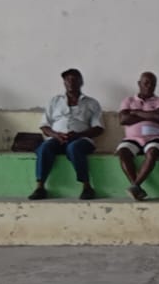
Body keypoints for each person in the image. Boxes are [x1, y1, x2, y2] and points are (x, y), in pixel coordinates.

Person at [30, 68, 104, 200]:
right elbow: (44, 126)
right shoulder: (54, 101)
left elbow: (98, 128)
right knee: (44, 148)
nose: (70, 82)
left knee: (74, 147)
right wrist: (56, 135)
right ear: (64, 83)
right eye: (67, 80)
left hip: (81, 139)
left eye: (74, 79)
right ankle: (40, 187)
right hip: (58, 138)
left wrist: (78, 135)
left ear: (81, 82)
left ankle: (87, 187)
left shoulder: (91, 103)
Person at [116, 71, 159, 201]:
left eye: (153, 84)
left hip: (154, 138)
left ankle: (135, 186)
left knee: (152, 152)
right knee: (123, 152)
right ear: (139, 84)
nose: (149, 86)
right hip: (132, 139)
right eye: (146, 83)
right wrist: (149, 115)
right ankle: (136, 187)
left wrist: (136, 113)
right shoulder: (128, 101)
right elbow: (123, 119)